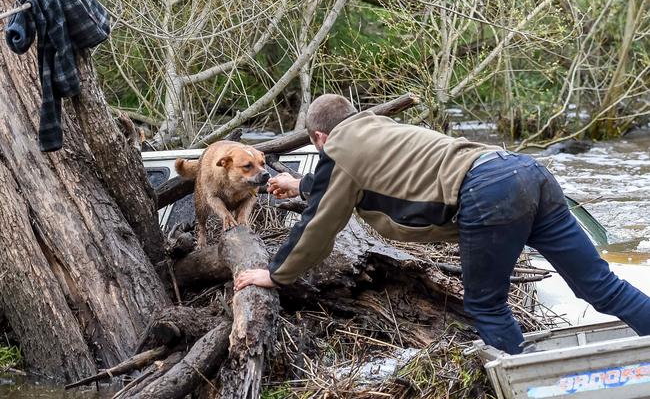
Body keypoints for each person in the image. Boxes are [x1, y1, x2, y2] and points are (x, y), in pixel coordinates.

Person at [234, 94, 650, 354]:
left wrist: (276, 273)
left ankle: (526, 381)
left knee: (486, 306)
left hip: (488, 194)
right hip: (524, 171)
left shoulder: (339, 150)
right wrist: (302, 183)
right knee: (600, 287)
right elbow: (364, 184)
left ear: (319, 138)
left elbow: (319, 227)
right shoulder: (377, 128)